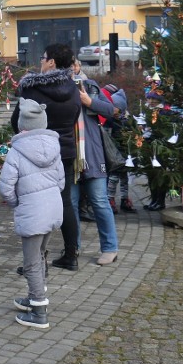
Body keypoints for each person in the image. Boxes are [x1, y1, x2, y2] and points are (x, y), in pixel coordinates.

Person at [11, 43, 82, 271]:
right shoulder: (72, 87)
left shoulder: (31, 88)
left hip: (36, 153)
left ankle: (36, 261)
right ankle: (71, 254)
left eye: (42, 57)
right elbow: (75, 116)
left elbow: (17, 121)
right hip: (65, 151)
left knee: (36, 204)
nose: (40, 61)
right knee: (65, 203)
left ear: (51, 61)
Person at [0, 98, 64, 329]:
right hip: (54, 209)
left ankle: (38, 311)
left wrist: (17, 202)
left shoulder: (16, 151)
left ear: (21, 125)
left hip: (32, 212)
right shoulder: (55, 148)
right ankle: (34, 296)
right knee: (41, 255)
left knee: (31, 263)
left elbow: (5, 186)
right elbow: (61, 181)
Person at [71, 76, 119, 266]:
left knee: (99, 202)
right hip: (69, 155)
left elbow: (111, 110)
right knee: (70, 204)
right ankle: (72, 247)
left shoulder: (89, 86)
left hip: (92, 154)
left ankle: (110, 248)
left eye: (74, 66)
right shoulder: (57, 88)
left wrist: (89, 101)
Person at [101, 84, 136, 213]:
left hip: (125, 152)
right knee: (114, 177)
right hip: (114, 154)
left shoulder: (126, 120)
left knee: (124, 177)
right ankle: (110, 199)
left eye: (115, 108)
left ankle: (124, 198)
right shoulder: (109, 120)